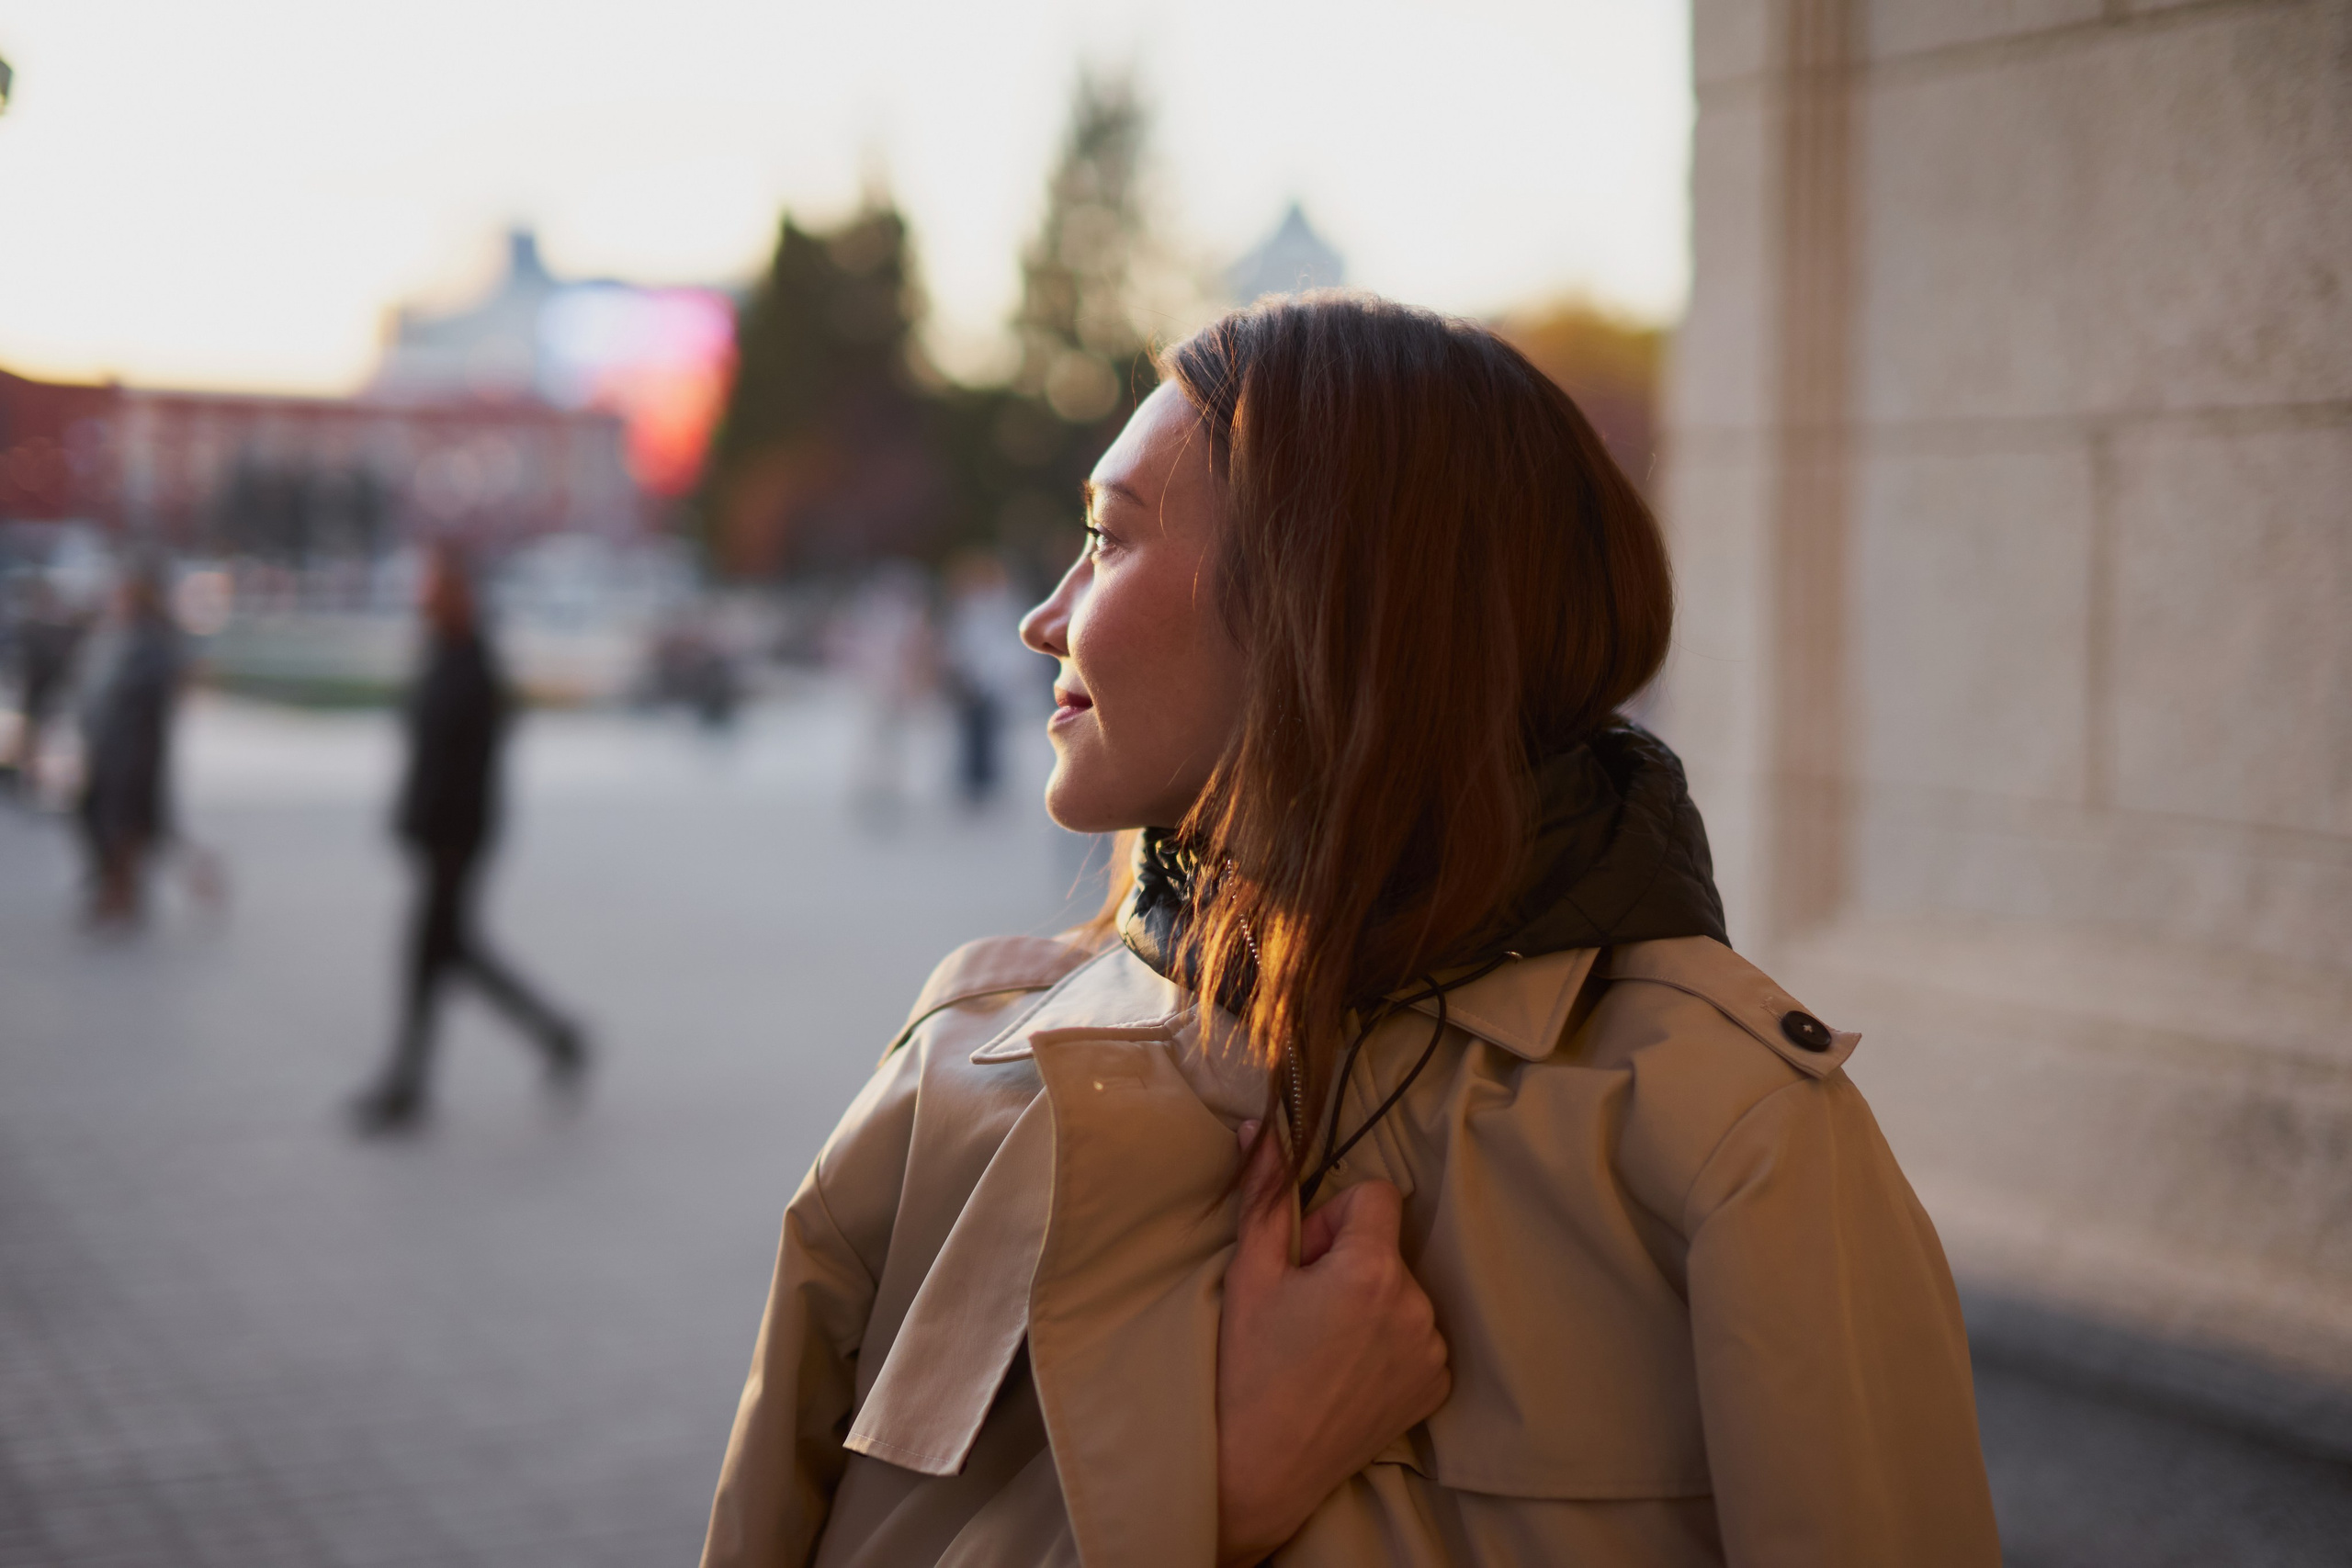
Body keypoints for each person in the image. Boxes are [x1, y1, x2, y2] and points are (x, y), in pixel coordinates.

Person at [701, 295, 2001, 1566]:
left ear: (1333, 606)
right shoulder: (961, 1066)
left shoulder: (1723, 1140)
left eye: (1106, 539)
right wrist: (1213, 1493)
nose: (1046, 618)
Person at [351, 544, 586, 1134]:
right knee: (454, 955)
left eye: (434, 587)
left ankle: (408, 1087)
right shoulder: (443, 656)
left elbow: (468, 765)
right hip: (437, 836)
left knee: (428, 958)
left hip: (456, 840)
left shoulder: (474, 665)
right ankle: (559, 1036)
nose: (423, 597)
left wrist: (439, 829)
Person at [76, 560, 182, 924]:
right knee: (104, 821)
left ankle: (122, 894)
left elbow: (142, 699)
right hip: (109, 750)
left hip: (133, 755)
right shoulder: (116, 638)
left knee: (125, 826)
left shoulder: (150, 642)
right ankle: (114, 889)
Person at [6, 575, 88, 802]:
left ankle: (28, 775)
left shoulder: (49, 626)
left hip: (42, 693)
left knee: (35, 738)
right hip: (29, 693)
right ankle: (20, 774)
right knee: (24, 736)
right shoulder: (30, 625)